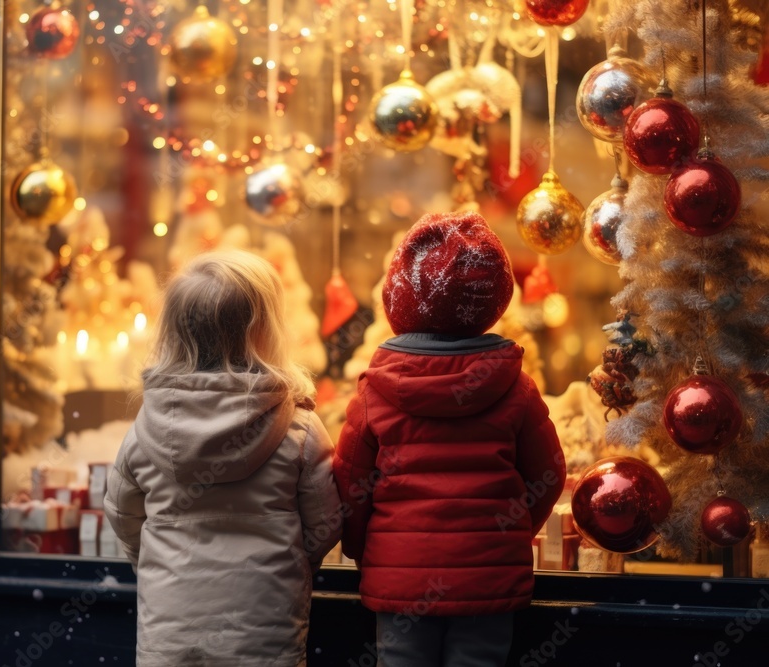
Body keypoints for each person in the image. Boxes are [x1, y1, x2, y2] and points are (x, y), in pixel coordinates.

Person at [334, 212, 565, 667]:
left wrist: (370, 551)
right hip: (488, 586)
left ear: (398, 298)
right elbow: (549, 475)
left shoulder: (374, 391)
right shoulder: (516, 388)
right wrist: (507, 536)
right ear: (493, 300)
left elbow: (348, 488)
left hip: (400, 586)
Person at [104, 249, 342, 667]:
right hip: (265, 633)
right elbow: (325, 522)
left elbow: (123, 516)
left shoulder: (145, 431)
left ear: (174, 332)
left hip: (170, 636)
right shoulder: (298, 430)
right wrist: (292, 561)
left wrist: (159, 562)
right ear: (266, 330)